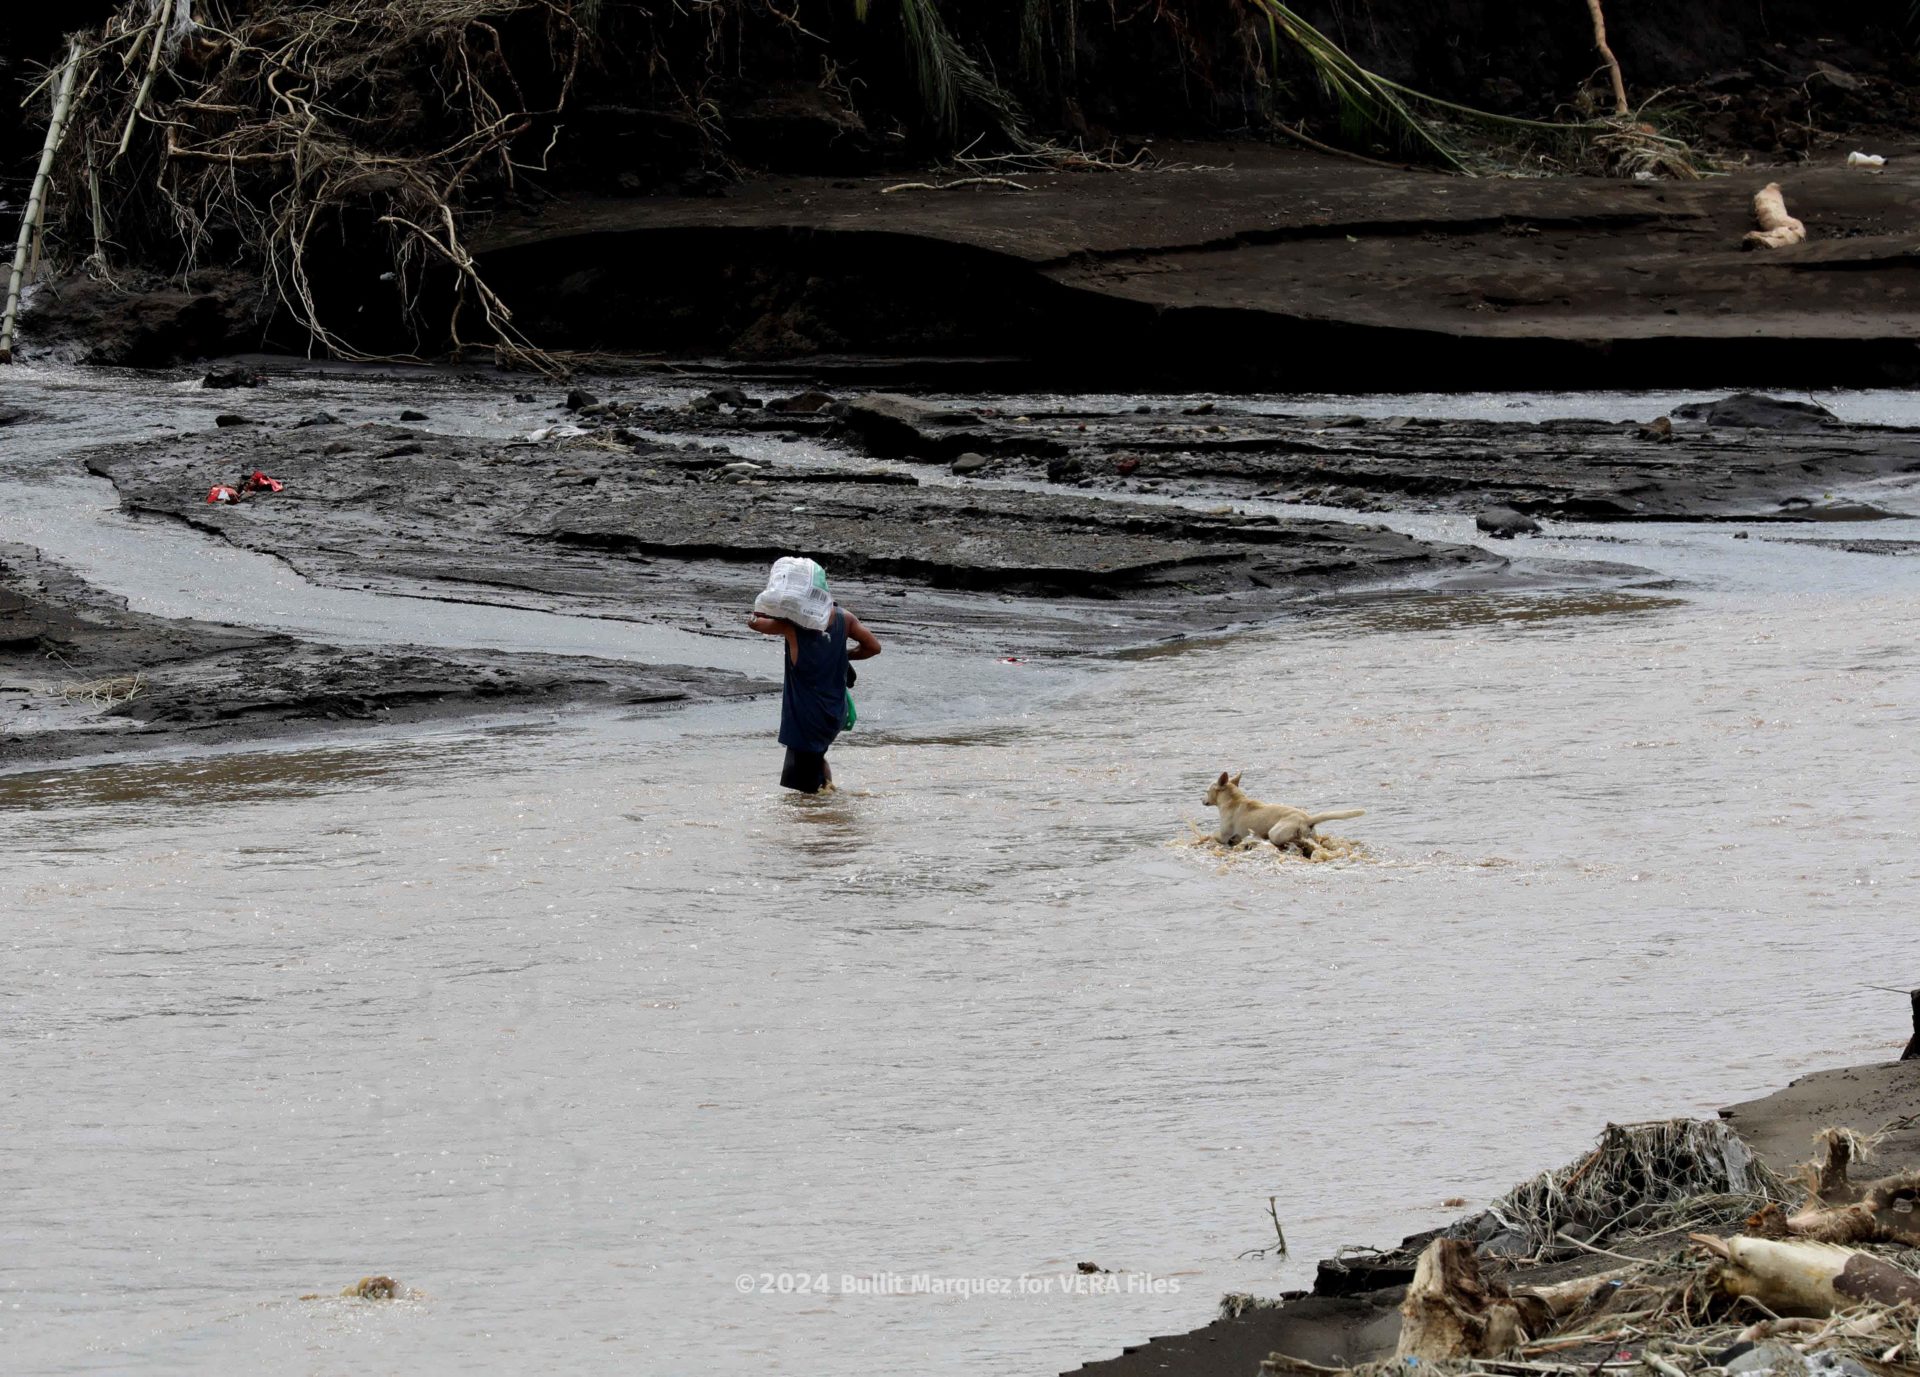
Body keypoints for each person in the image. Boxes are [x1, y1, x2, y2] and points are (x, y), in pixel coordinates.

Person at [747, 558, 881, 793]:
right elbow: (873, 647)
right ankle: (831, 802)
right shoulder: (845, 618)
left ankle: (823, 813)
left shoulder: (792, 626)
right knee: (817, 762)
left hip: (806, 720)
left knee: (804, 791)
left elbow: (756, 623)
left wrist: (767, 606)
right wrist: (844, 656)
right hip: (833, 715)